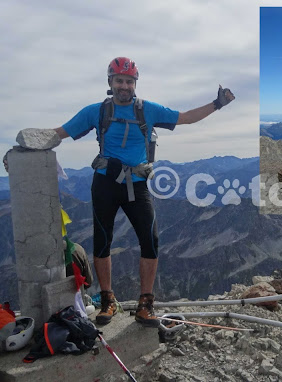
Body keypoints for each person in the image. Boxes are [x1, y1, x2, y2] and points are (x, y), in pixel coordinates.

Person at [53, 57, 235, 327]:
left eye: (128, 81)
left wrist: (217, 103)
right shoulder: (96, 111)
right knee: (103, 241)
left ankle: (145, 304)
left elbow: (185, 118)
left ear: (135, 83)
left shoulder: (147, 110)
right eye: (119, 80)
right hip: (105, 182)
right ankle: (107, 300)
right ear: (110, 82)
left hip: (137, 184)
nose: (124, 86)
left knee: (151, 240)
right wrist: (26, 143)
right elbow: (61, 132)